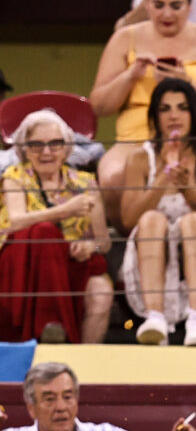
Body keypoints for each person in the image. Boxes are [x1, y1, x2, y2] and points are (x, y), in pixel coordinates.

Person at [90, 0, 196, 227]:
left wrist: (188, 84)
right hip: (135, 140)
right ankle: (136, 239)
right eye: (158, 5)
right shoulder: (125, 38)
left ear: (190, 6)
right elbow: (100, 107)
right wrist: (131, 76)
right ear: (146, 5)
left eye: (176, 6)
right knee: (112, 177)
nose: (166, 14)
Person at [119, 78, 196, 346]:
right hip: (149, 247)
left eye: (182, 108)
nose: (174, 116)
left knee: (193, 221)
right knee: (151, 219)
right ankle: (155, 317)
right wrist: (164, 177)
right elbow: (128, 220)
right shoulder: (139, 158)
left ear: (194, 114)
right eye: (165, 109)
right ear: (155, 116)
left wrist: (188, 188)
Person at [0, 111, 113, 345]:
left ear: (66, 148)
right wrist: (64, 211)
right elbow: (16, 222)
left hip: (70, 262)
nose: (46, 152)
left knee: (101, 290)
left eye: (54, 144)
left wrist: (89, 246)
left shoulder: (85, 183)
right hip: (24, 265)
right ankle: (51, 326)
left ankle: (82, 361)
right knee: (44, 233)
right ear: (25, 149)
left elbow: (104, 242)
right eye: (37, 145)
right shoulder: (14, 176)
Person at [0, 362, 196, 431]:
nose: (61, 407)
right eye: (49, 399)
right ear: (31, 408)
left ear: (76, 401)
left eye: (68, 397)